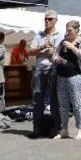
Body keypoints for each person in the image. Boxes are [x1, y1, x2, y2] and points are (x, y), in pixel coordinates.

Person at [53, 20, 81, 141]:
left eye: (70, 30)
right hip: (61, 76)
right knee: (63, 105)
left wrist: (72, 47)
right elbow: (54, 54)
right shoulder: (62, 42)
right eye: (66, 30)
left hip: (75, 76)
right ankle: (64, 129)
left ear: (77, 30)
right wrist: (57, 59)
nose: (67, 32)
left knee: (77, 104)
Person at [28, 10, 63, 139]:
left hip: (52, 69)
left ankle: (57, 128)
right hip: (39, 68)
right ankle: (37, 128)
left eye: (50, 19)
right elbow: (30, 51)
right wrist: (42, 47)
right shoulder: (39, 35)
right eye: (45, 19)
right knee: (37, 99)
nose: (47, 21)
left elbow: (56, 53)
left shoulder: (60, 35)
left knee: (54, 99)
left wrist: (43, 51)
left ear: (55, 20)